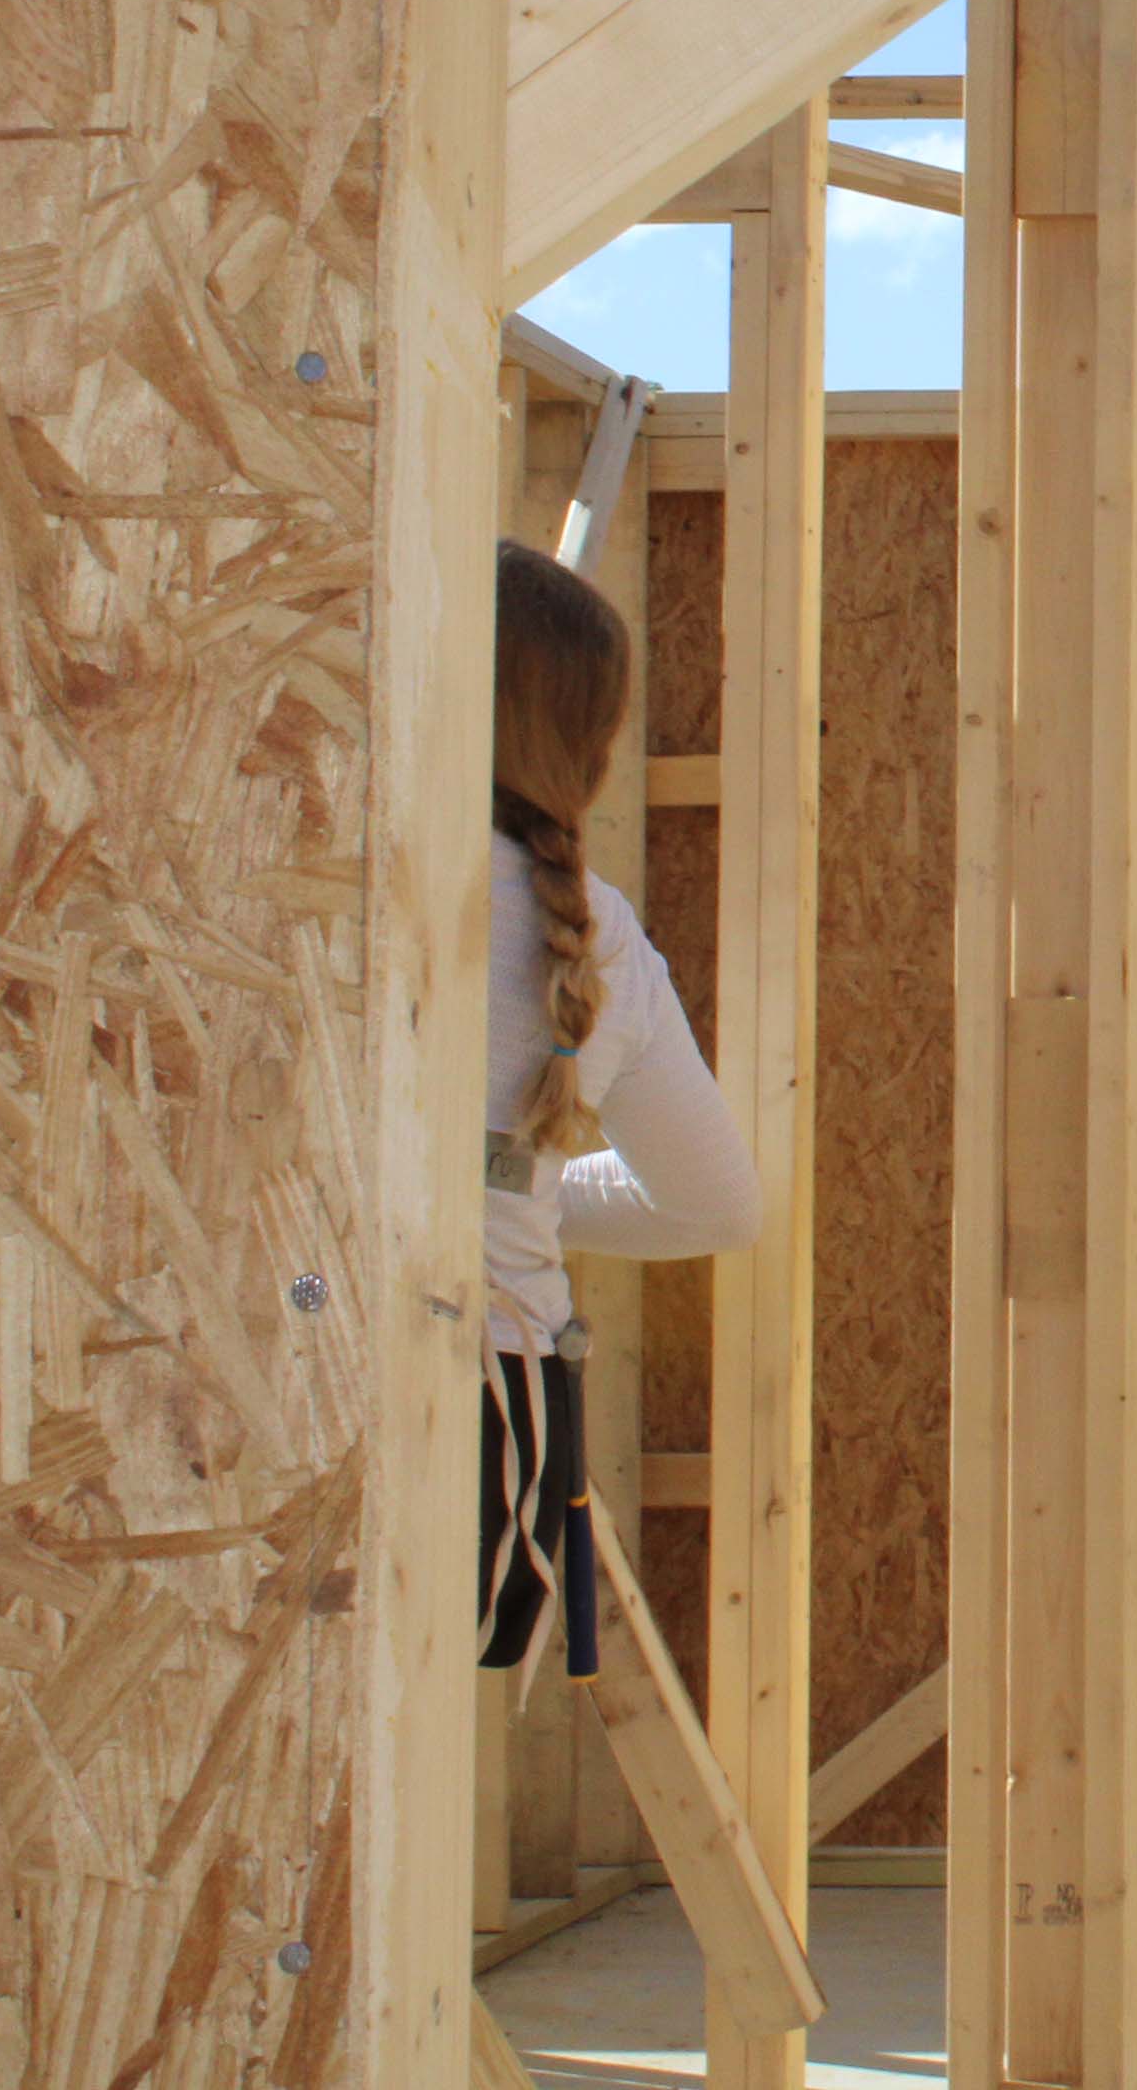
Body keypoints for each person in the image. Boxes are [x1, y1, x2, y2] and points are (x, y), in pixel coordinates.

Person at [481, 539, 761, 1678]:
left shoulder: (325, 866)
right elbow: (715, 1209)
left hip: (295, 1331)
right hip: (501, 1397)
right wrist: (522, 1190)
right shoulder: (597, 938)